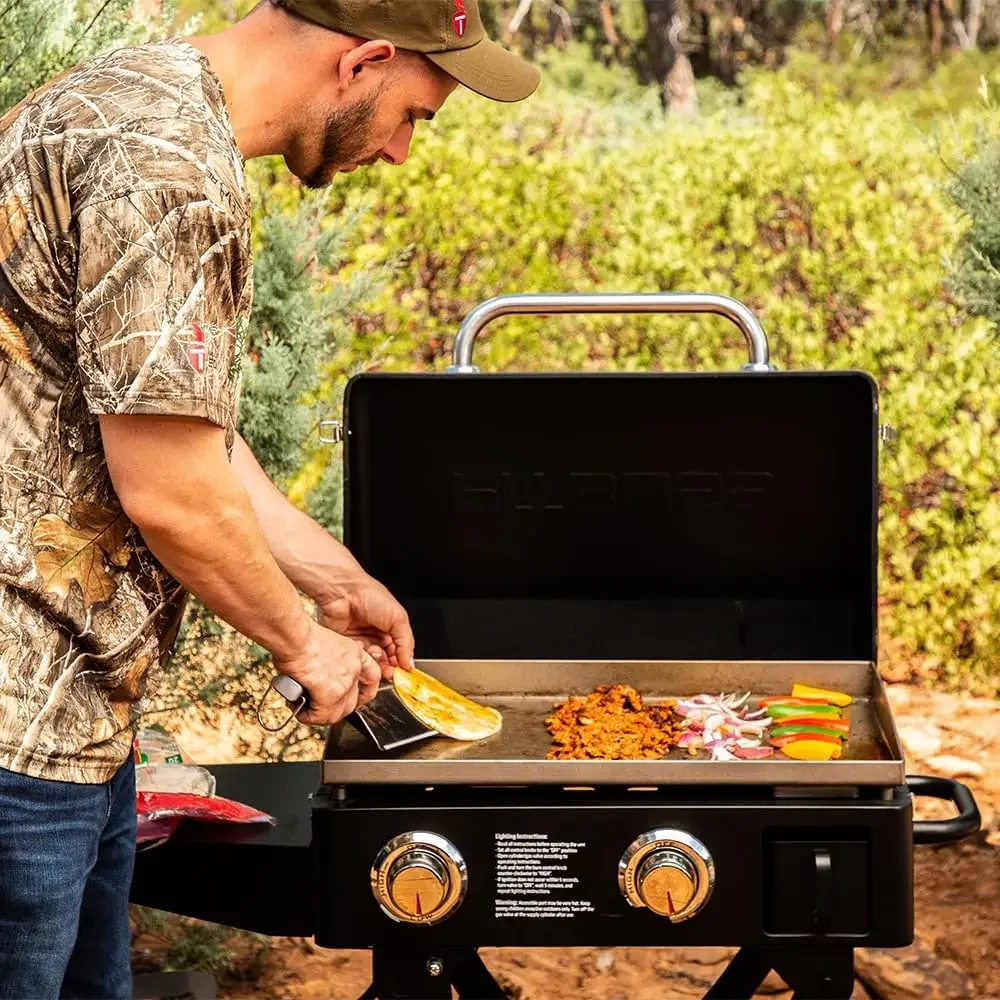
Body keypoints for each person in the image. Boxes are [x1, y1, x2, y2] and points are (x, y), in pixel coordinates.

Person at [0, 1, 539, 995]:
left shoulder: (125, 95)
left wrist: (334, 578)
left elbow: (178, 426)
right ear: (365, 60)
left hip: (67, 715)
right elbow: (171, 492)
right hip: (20, 732)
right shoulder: (170, 172)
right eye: (413, 114)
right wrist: (302, 645)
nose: (401, 154)